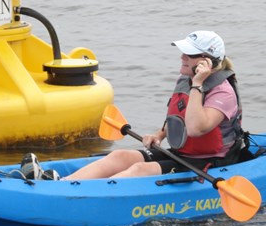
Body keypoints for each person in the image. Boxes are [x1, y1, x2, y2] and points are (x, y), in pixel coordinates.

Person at [21, 30, 248, 181]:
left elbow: (197, 128)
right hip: (183, 154)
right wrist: (159, 134)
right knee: (120, 156)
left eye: (189, 54)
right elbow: (178, 117)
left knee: (140, 170)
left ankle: (79, 194)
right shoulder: (185, 80)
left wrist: (198, 84)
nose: (182, 57)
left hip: (210, 162)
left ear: (206, 61)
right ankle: (60, 184)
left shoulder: (222, 92)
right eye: (183, 52)